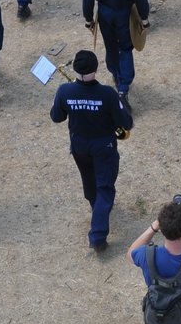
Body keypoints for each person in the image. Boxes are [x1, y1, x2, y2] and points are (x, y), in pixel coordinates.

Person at [50, 48, 134, 253]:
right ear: (96, 69)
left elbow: (56, 117)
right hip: (103, 147)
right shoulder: (107, 94)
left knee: (88, 180)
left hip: (79, 146)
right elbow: (126, 122)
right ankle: (97, 236)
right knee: (105, 187)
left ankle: (97, 207)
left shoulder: (64, 91)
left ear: (75, 69)